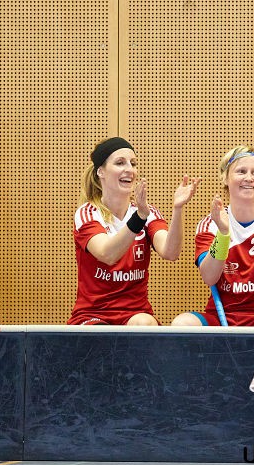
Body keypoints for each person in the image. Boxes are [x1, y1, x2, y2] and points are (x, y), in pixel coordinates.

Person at [69, 137, 200, 325]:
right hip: (94, 314)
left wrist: (177, 209)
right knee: (100, 338)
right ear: (100, 172)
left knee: (144, 323)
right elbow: (107, 253)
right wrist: (139, 218)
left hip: (135, 313)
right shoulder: (87, 213)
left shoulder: (148, 212)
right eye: (120, 163)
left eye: (133, 163)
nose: (129, 169)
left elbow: (170, 252)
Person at [171, 146, 254, 327]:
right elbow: (209, 277)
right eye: (241, 171)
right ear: (226, 179)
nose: (248, 178)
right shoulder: (211, 223)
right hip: (222, 316)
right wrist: (223, 234)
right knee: (182, 324)